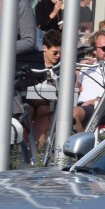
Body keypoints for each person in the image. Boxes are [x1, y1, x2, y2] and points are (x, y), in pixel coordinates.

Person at [22, 28, 62, 156]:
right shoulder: (34, 62)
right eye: (55, 53)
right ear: (44, 48)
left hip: (48, 103)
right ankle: (25, 152)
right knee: (28, 113)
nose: (58, 56)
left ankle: (36, 153)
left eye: (60, 53)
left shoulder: (61, 65)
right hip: (32, 99)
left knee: (42, 111)